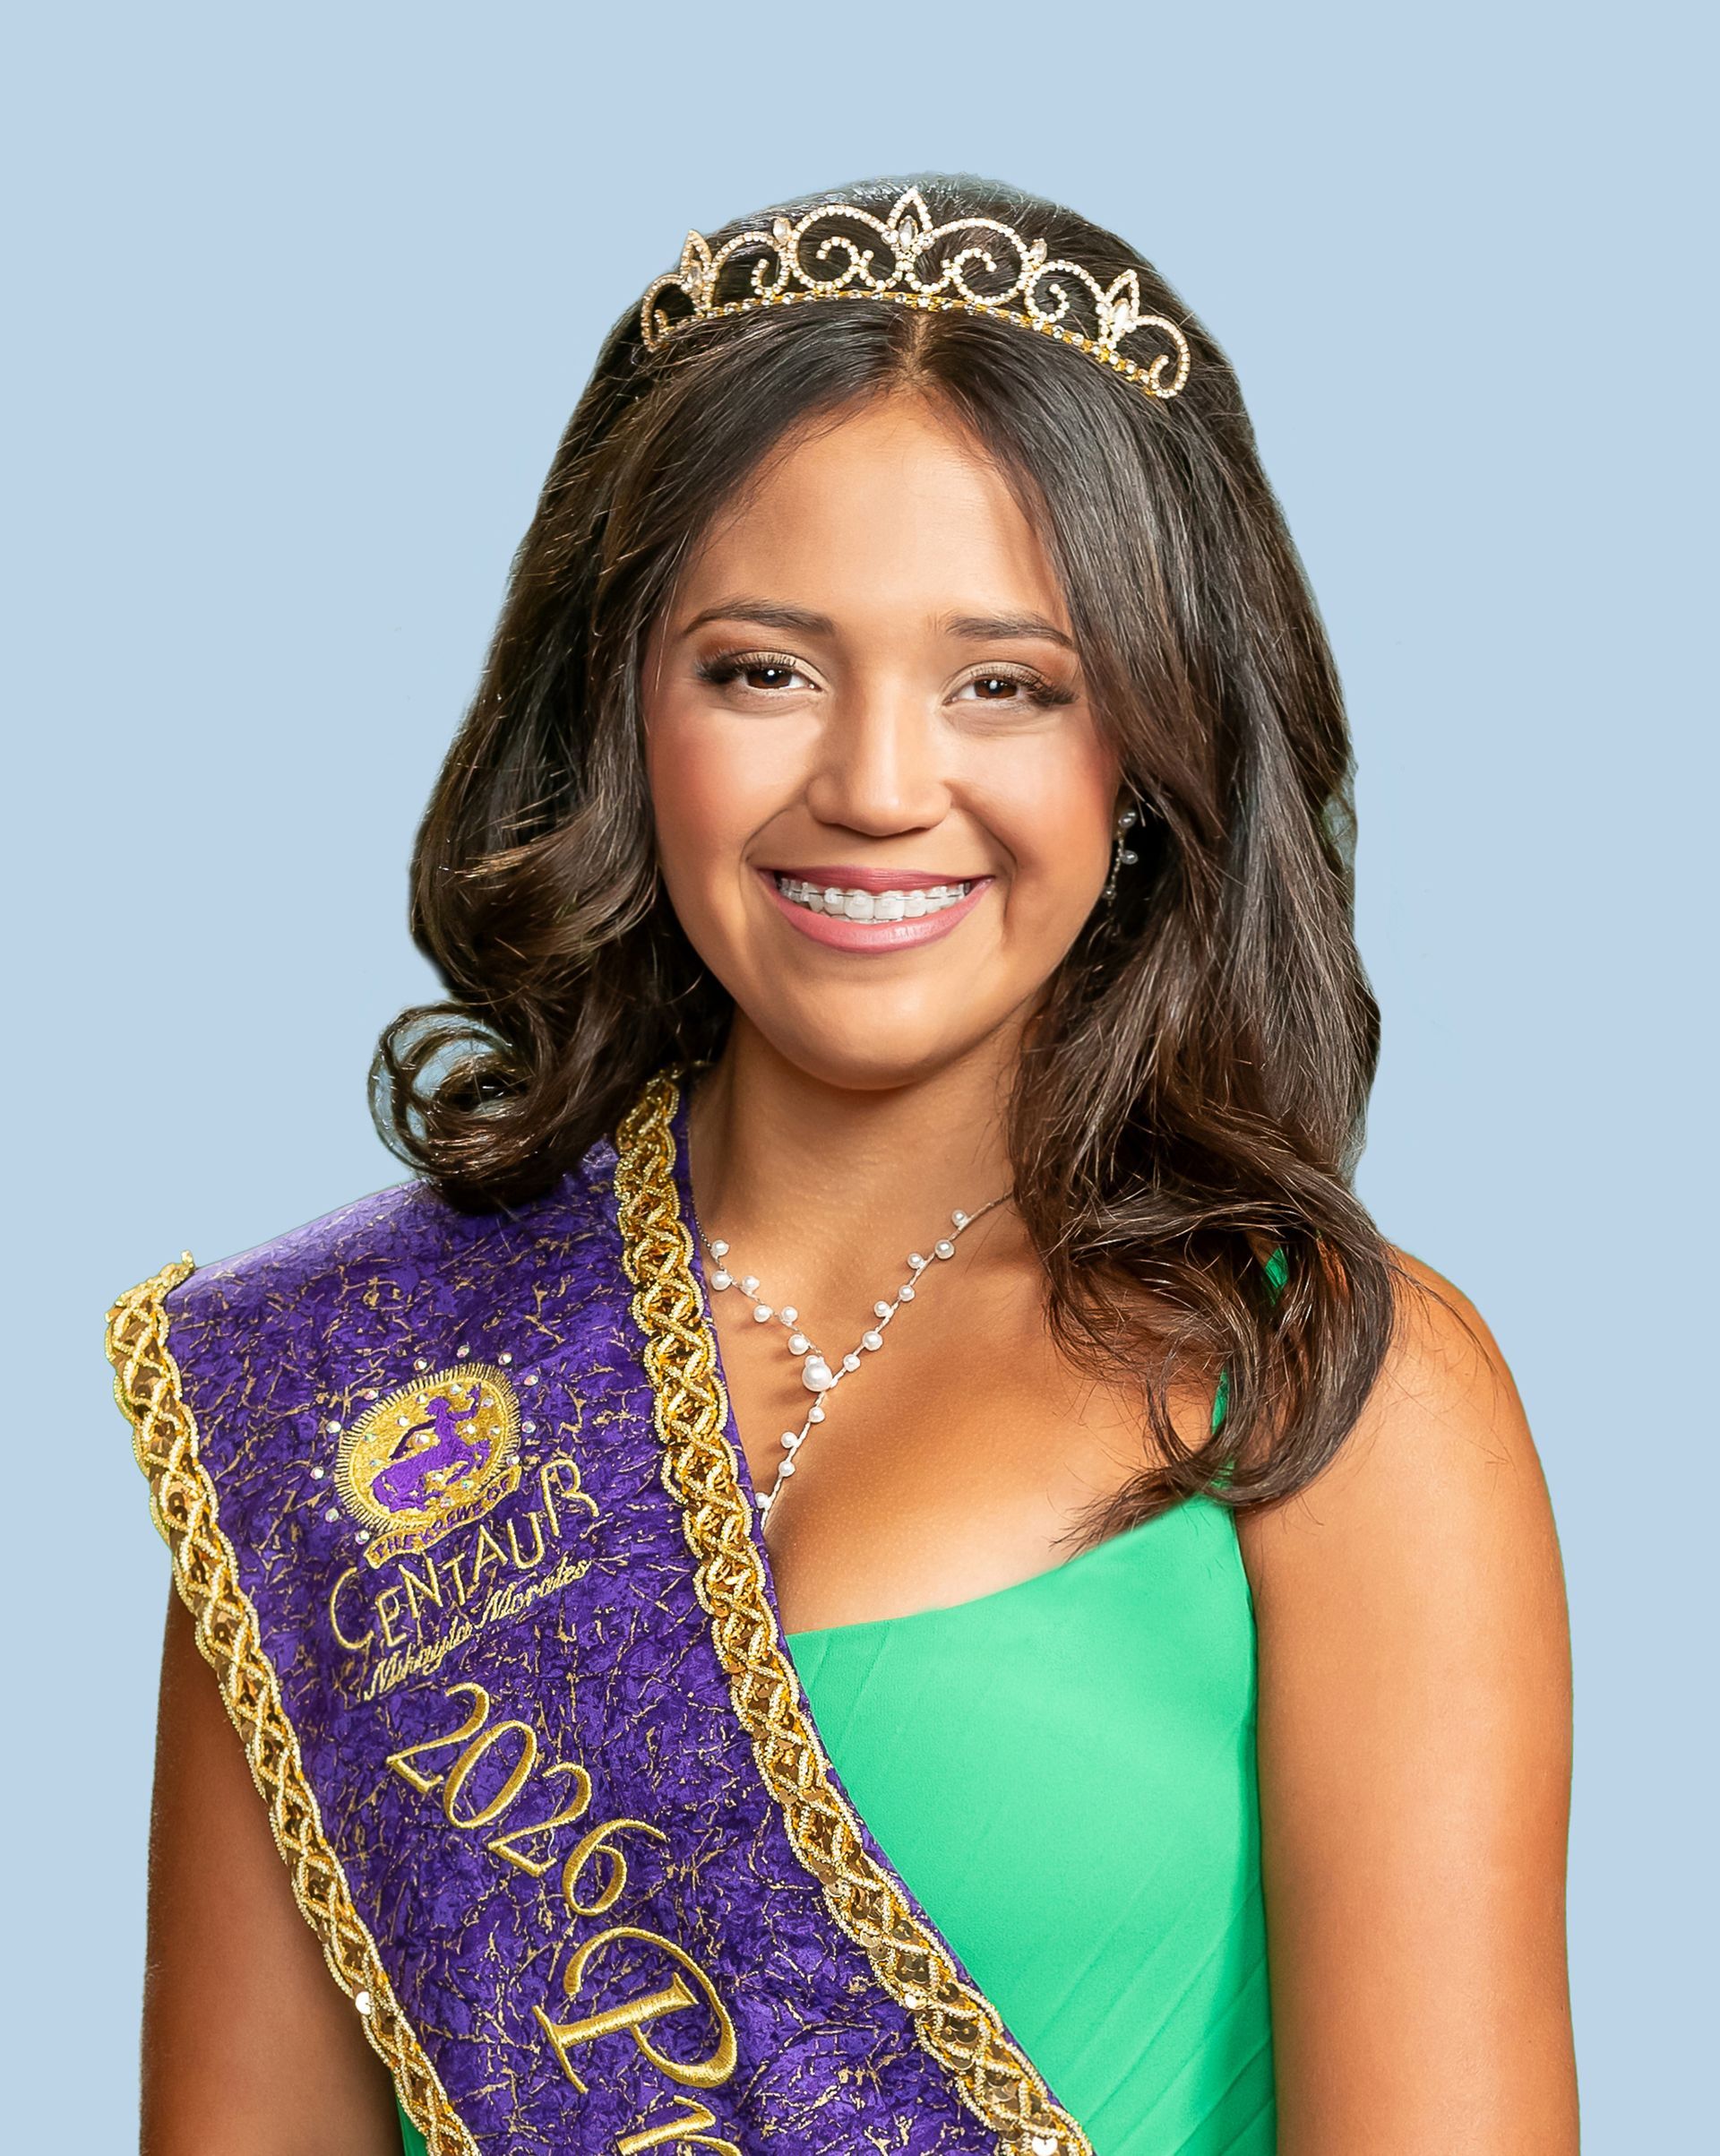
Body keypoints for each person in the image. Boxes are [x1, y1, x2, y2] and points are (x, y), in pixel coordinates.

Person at [110, 174, 1578, 2156]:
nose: (881, 785)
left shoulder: (1333, 1401)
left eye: (1007, 682)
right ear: (623, 709)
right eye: (762, 668)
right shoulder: (340, 1416)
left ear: (1146, 754)